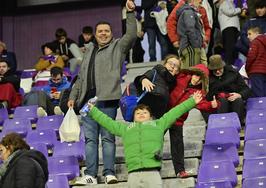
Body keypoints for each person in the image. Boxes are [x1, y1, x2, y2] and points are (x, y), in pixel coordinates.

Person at [68, 0, 137, 185]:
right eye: (100, 31)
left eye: (107, 31)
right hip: (87, 103)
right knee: (90, 140)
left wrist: (130, 13)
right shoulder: (88, 50)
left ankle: (109, 173)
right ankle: (90, 174)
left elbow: (130, 35)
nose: (104, 33)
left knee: (107, 138)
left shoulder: (117, 47)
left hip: (107, 101)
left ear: (111, 33)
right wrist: (73, 97)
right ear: (95, 35)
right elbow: (81, 77)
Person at [87, 91, 203, 188]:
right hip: (133, 175)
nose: (141, 114)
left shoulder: (159, 124)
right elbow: (108, 122)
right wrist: (93, 110)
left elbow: (174, 112)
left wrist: (192, 101)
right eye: (137, 113)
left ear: (151, 116)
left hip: (153, 173)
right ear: (133, 118)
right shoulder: (126, 129)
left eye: (144, 112)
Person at [168, 63, 219, 178]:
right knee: (155, 138)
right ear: (192, 74)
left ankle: (180, 171)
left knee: (177, 145)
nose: (197, 79)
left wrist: (212, 104)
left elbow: (203, 105)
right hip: (163, 114)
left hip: (177, 119)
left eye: (201, 78)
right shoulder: (180, 77)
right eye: (196, 75)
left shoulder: (198, 93)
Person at [203, 54, 252, 124]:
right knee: (222, 101)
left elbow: (246, 90)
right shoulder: (208, 77)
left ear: (223, 66)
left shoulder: (233, 73)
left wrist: (239, 95)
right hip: (218, 103)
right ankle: (222, 125)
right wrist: (213, 98)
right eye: (214, 70)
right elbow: (206, 95)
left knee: (238, 100)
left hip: (234, 101)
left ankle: (237, 124)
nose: (217, 71)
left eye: (219, 69)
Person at [134, 54, 181, 119]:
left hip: (159, 116)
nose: (172, 66)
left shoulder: (173, 84)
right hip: (145, 113)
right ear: (165, 64)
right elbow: (139, 79)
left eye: (176, 66)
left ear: (177, 71)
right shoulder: (155, 72)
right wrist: (143, 79)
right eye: (170, 63)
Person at [166, 0, 211, 68]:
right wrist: (174, 39)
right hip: (189, 44)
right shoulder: (182, 7)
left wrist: (206, 38)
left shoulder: (202, 9)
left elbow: (207, 26)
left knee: (202, 67)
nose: (201, 1)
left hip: (199, 43)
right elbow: (170, 22)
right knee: (191, 67)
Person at [214, 0, 242, 65]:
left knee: (231, 49)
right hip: (229, 28)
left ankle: (231, 66)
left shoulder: (226, 3)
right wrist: (240, 9)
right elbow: (230, 12)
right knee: (230, 49)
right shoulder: (225, 2)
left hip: (230, 28)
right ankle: (229, 66)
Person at [246, 26, 266, 97]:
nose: (248, 36)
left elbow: (251, 57)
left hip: (256, 72)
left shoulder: (255, 42)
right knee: (265, 96)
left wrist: (246, 68)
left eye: (250, 34)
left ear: (256, 33)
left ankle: (260, 109)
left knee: (258, 96)